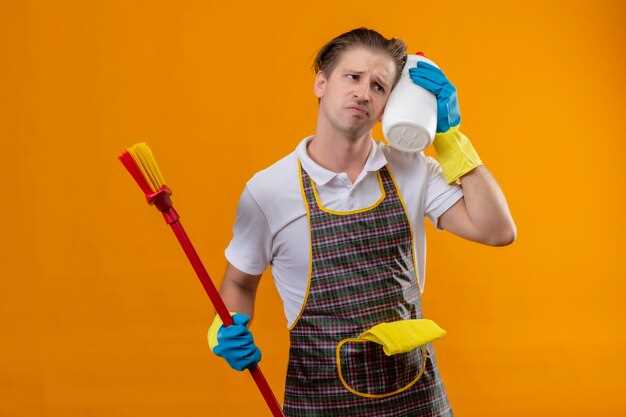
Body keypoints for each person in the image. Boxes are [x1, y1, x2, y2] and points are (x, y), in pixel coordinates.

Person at [207, 27, 516, 417]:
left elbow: (497, 230)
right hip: (321, 403)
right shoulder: (268, 190)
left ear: (387, 106)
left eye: (378, 86)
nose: (363, 93)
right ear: (321, 83)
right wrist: (225, 328)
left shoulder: (411, 170)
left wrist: (450, 138)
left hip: (418, 399)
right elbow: (238, 282)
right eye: (352, 77)